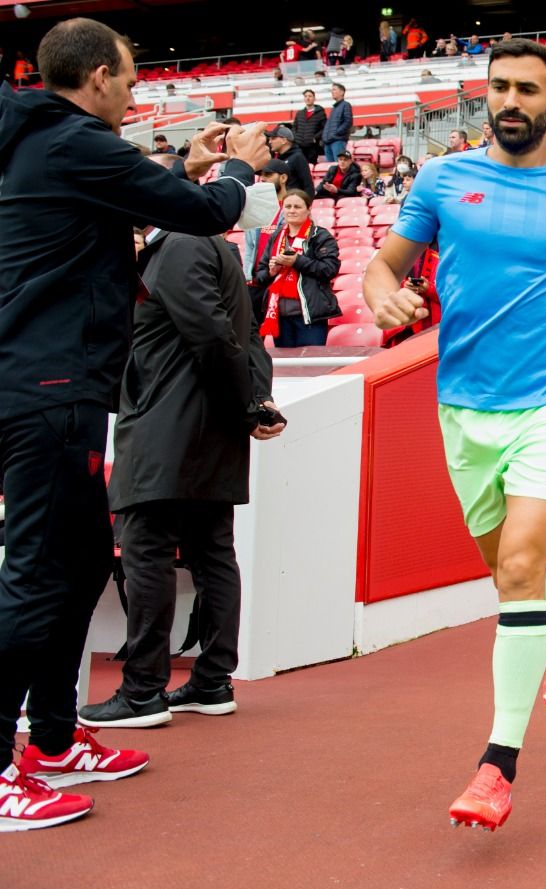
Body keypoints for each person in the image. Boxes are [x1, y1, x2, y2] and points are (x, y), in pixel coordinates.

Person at [0, 17, 270, 832]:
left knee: (82, 560)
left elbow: (131, 184)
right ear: (98, 79)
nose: (136, 88)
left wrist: (178, 164)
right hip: (50, 386)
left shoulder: (49, 139)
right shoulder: (76, 144)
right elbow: (198, 209)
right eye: (129, 76)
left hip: (56, 382)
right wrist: (233, 168)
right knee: (41, 572)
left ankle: (51, 736)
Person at [364, 38, 546, 832]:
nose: (511, 101)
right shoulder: (442, 178)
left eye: (527, 90)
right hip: (466, 405)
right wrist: (383, 296)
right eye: (500, 87)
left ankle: (496, 767)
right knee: (508, 573)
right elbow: (386, 266)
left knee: (521, 563)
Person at [79, 156, 284, 728]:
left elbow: (217, 338)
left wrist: (249, 404)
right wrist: (253, 402)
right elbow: (245, 340)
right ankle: (211, 682)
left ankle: (144, 689)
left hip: (169, 430)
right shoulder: (208, 248)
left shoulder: (181, 246)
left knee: (146, 547)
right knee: (212, 550)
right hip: (203, 428)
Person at [254, 190, 340, 348]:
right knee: (287, 369)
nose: (292, 210)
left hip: (310, 316)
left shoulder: (320, 236)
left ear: (308, 209)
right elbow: (259, 274)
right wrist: (271, 272)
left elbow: (330, 269)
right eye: (288, 206)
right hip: (279, 315)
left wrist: (297, 261)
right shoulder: (276, 236)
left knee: (311, 366)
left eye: (297, 206)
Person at [293, 89, 326, 163]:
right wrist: (296, 138)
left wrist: (315, 138)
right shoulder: (299, 113)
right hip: (300, 146)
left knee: (311, 165)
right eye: (306, 96)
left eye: (310, 96)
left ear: (314, 98)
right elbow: (294, 127)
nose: (308, 98)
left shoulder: (320, 113)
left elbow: (324, 128)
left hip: (312, 147)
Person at [322, 82, 353, 162]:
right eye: (331, 90)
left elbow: (348, 121)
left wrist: (336, 133)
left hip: (337, 141)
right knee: (331, 168)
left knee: (339, 165)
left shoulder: (345, 105)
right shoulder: (334, 108)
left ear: (342, 92)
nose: (332, 92)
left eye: (334, 89)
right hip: (328, 142)